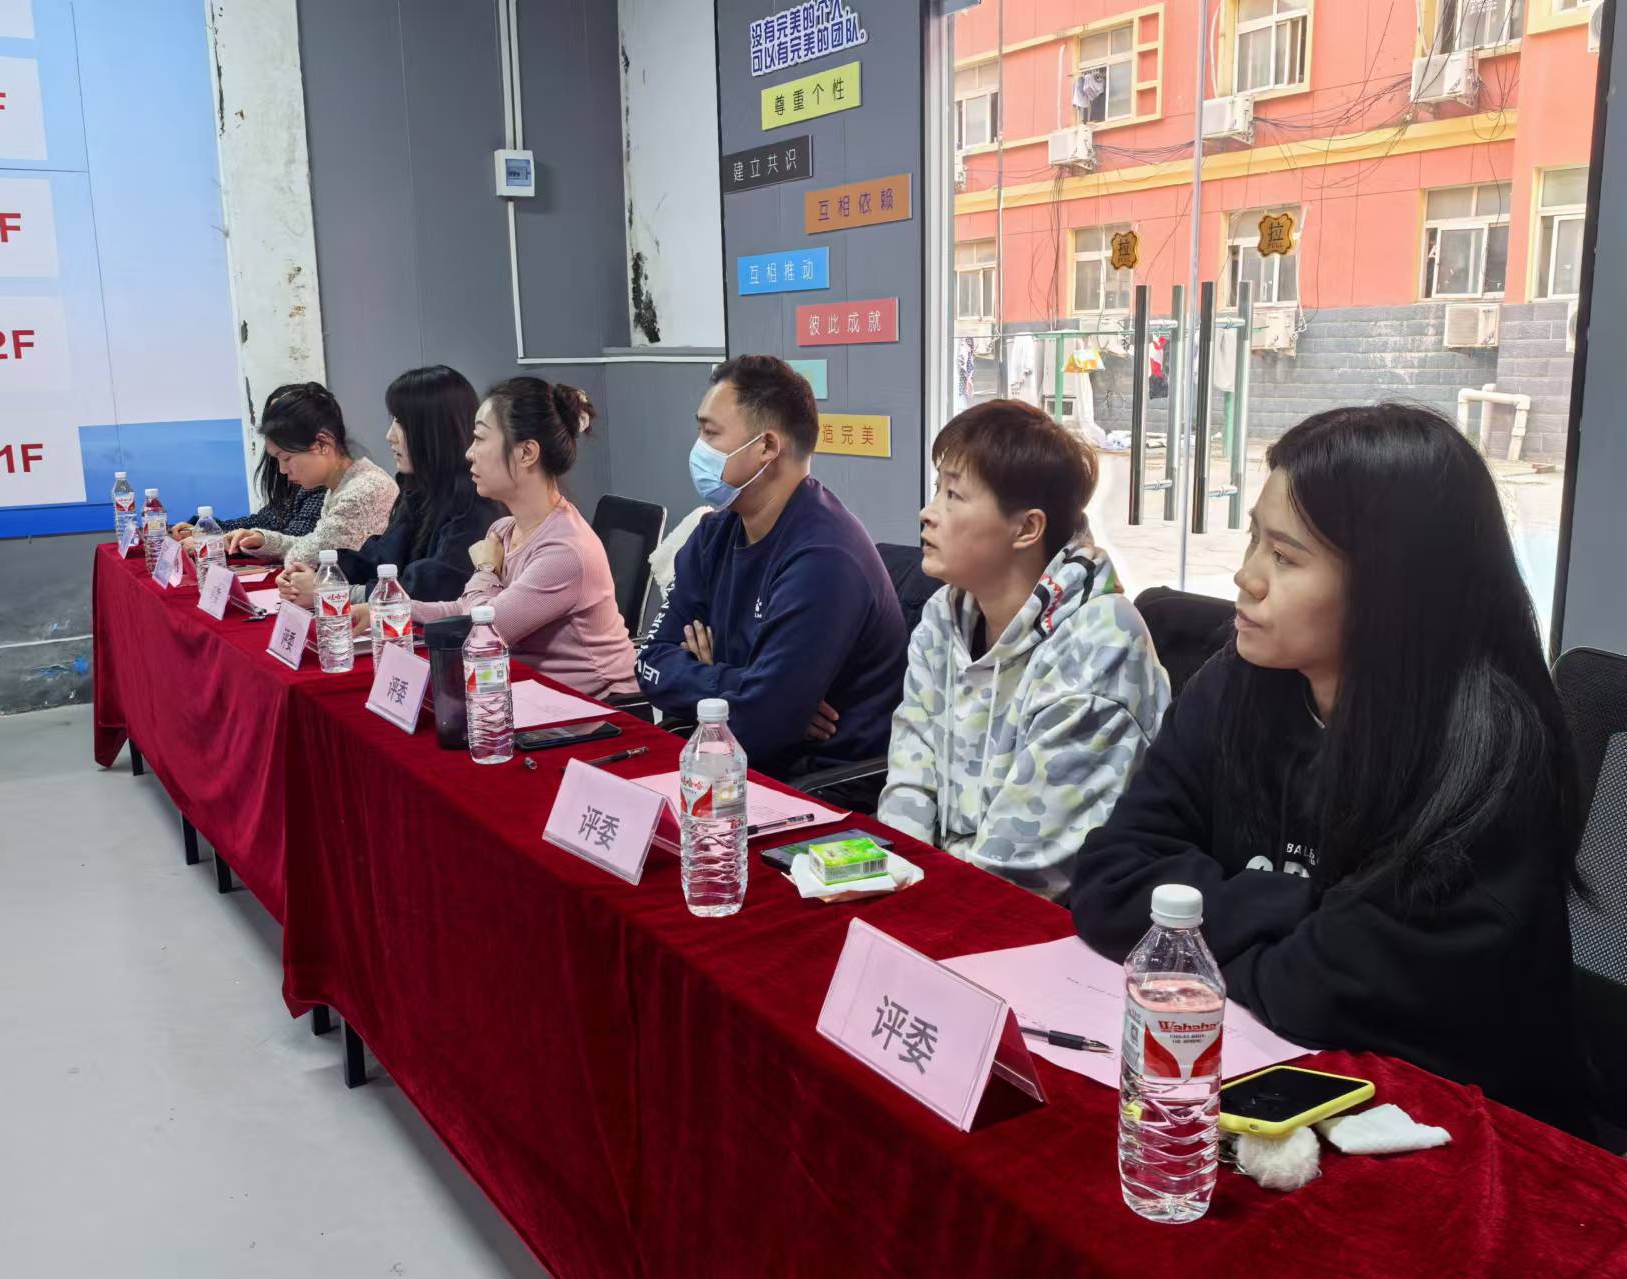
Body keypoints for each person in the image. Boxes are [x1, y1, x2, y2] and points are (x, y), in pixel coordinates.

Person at [1069, 404, 1583, 1129]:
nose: (1246, 576)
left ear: (1392, 588)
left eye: (1285, 557)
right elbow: (1109, 877)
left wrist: (1193, 937)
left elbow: (1315, 992)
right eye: (1254, 537)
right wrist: (1303, 911)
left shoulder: (1487, 753)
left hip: (1460, 1130)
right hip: (1280, 1084)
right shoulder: (1239, 679)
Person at [876, 401, 1169, 901]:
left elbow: (1023, 867)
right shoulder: (944, 614)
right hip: (932, 890)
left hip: (1042, 918)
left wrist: (915, 897)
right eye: (937, 490)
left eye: (953, 495)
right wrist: (894, 879)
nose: (928, 513)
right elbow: (911, 771)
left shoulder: (1100, 642)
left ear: (1027, 528)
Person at [636, 355, 907, 780]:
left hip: (815, 784)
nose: (698, 447)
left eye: (711, 432)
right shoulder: (714, 534)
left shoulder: (824, 558)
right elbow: (651, 663)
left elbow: (760, 725)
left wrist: (727, 685)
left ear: (766, 447)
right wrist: (738, 681)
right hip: (733, 762)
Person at [377, 377, 636, 700]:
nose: (469, 453)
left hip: (596, 710)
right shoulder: (502, 530)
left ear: (526, 452)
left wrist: (486, 569)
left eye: (479, 438)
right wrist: (396, 610)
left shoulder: (565, 551)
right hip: (531, 696)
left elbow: (481, 632)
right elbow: (464, 608)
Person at [275, 366, 503, 607]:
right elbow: (382, 558)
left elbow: (434, 586)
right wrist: (325, 573)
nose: (390, 435)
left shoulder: (474, 498)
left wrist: (333, 591)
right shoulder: (418, 489)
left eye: (400, 422)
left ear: (433, 429)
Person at [224, 382, 398, 568]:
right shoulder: (342, 484)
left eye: (287, 458)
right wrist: (264, 541)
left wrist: (270, 543)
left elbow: (305, 557)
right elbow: (315, 543)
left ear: (322, 444)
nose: (282, 470)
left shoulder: (363, 490)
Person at [172, 392, 326, 546]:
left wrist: (214, 542)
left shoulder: (319, 484)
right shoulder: (292, 479)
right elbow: (265, 520)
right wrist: (211, 529)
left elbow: (298, 541)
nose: (282, 470)